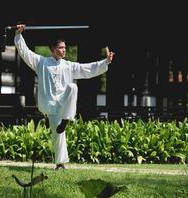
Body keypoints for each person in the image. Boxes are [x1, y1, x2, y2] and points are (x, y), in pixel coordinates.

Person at [14, 24, 114, 170]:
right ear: (53, 49)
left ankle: (66, 120)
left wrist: (105, 62)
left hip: (63, 104)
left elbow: (87, 69)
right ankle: (60, 164)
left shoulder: (68, 65)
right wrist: (18, 35)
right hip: (49, 105)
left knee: (73, 87)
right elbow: (25, 52)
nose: (64, 50)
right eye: (61, 48)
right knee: (58, 134)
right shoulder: (41, 62)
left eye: (65, 48)